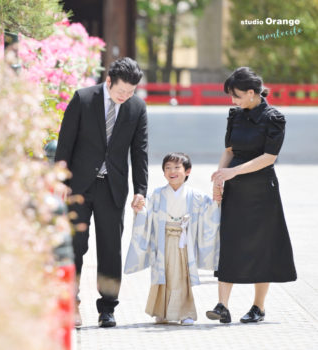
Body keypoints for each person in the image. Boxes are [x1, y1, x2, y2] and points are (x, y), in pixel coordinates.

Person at [55, 57, 148, 328]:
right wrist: (61, 179)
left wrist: (140, 189)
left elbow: (140, 151)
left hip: (113, 188)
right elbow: (65, 142)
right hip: (79, 187)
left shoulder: (137, 108)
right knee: (75, 247)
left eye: (131, 92)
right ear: (109, 81)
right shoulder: (83, 99)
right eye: (121, 91)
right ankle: (72, 303)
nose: (125, 96)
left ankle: (108, 308)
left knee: (110, 250)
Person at [206, 67, 297, 324]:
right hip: (235, 188)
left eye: (235, 96)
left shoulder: (274, 117)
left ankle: (258, 306)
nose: (232, 101)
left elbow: (269, 157)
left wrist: (234, 172)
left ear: (251, 92)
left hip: (261, 190)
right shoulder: (235, 115)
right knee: (230, 242)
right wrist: (219, 178)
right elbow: (229, 149)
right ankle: (222, 305)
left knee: (262, 246)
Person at [124, 152, 220, 326]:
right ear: (163, 172)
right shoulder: (158, 194)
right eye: (167, 168)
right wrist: (140, 209)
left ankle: (185, 312)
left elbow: (210, 212)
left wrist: (216, 201)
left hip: (183, 241)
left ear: (188, 171)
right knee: (162, 276)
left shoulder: (195, 195)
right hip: (163, 240)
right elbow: (147, 213)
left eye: (177, 167)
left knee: (181, 277)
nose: (172, 171)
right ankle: (161, 311)